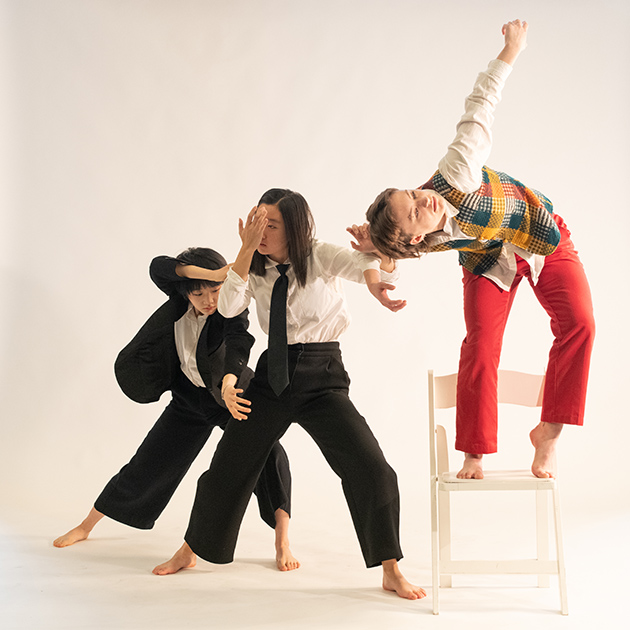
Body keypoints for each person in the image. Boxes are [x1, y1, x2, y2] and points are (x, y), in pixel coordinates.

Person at [153, 189, 426, 601]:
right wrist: (245, 251)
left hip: (323, 377)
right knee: (228, 465)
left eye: (272, 225)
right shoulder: (253, 266)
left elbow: (368, 267)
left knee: (372, 469)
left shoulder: (320, 256)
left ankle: (390, 567)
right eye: (257, 222)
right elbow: (227, 308)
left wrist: (382, 255)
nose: (262, 231)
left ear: (294, 227)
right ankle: (191, 549)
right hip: (271, 379)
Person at [357, 20, 594, 480]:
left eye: (413, 195)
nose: (425, 200)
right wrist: (376, 263)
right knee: (481, 345)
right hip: (489, 260)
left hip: (540, 233)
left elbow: (479, 106)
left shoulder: (456, 171)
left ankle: (549, 432)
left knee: (580, 324)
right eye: (415, 213)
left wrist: (510, 52)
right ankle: (475, 452)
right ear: (414, 238)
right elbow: (386, 260)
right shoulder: (415, 243)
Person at [53, 247, 299, 572]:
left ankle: (282, 540)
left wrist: (229, 381)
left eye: (215, 290)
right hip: (189, 398)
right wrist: (207, 274)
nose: (209, 300)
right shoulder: (178, 304)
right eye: (200, 293)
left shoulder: (231, 307)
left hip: (233, 394)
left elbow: (240, 342)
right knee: (149, 461)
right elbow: (159, 267)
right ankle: (87, 525)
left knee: (269, 455)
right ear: (186, 291)